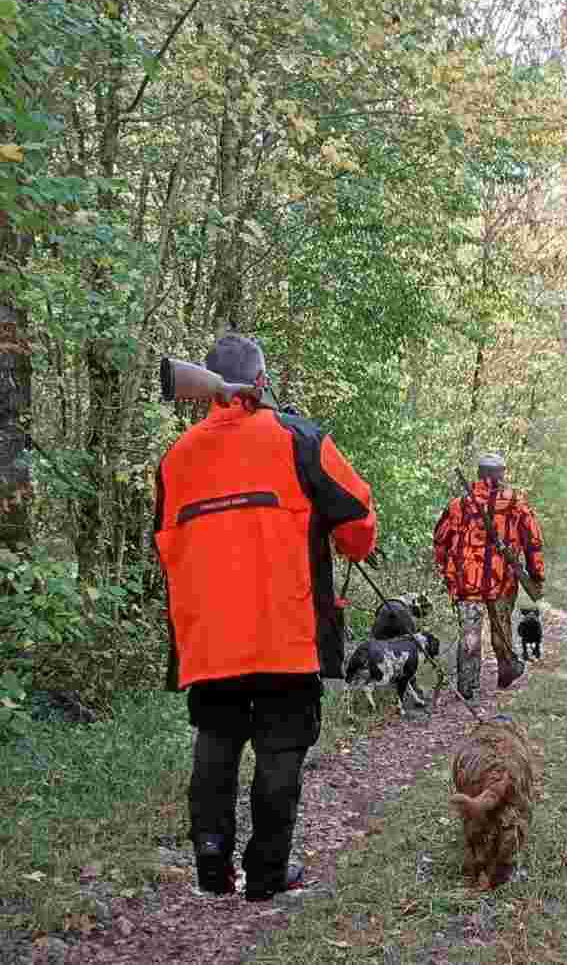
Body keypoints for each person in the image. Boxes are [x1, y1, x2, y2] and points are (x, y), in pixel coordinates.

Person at [153, 333, 376, 901]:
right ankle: (268, 876)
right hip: (286, 634)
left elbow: (166, 546)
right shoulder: (300, 439)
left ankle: (211, 869)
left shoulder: (174, 460)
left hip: (208, 638)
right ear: (261, 382)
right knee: (280, 748)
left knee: (216, 742)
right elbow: (358, 526)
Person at [432, 453, 545, 701]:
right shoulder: (516, 502)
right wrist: (536, 575)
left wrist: (446, 571)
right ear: (501, 474)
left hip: (465, 580)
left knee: (469, 631)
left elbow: (440, 540)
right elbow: (533, 541)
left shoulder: (458, 504)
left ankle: (467, 685)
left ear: (479, 474)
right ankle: (507, 670)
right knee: (501, 626)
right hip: (502, 579)